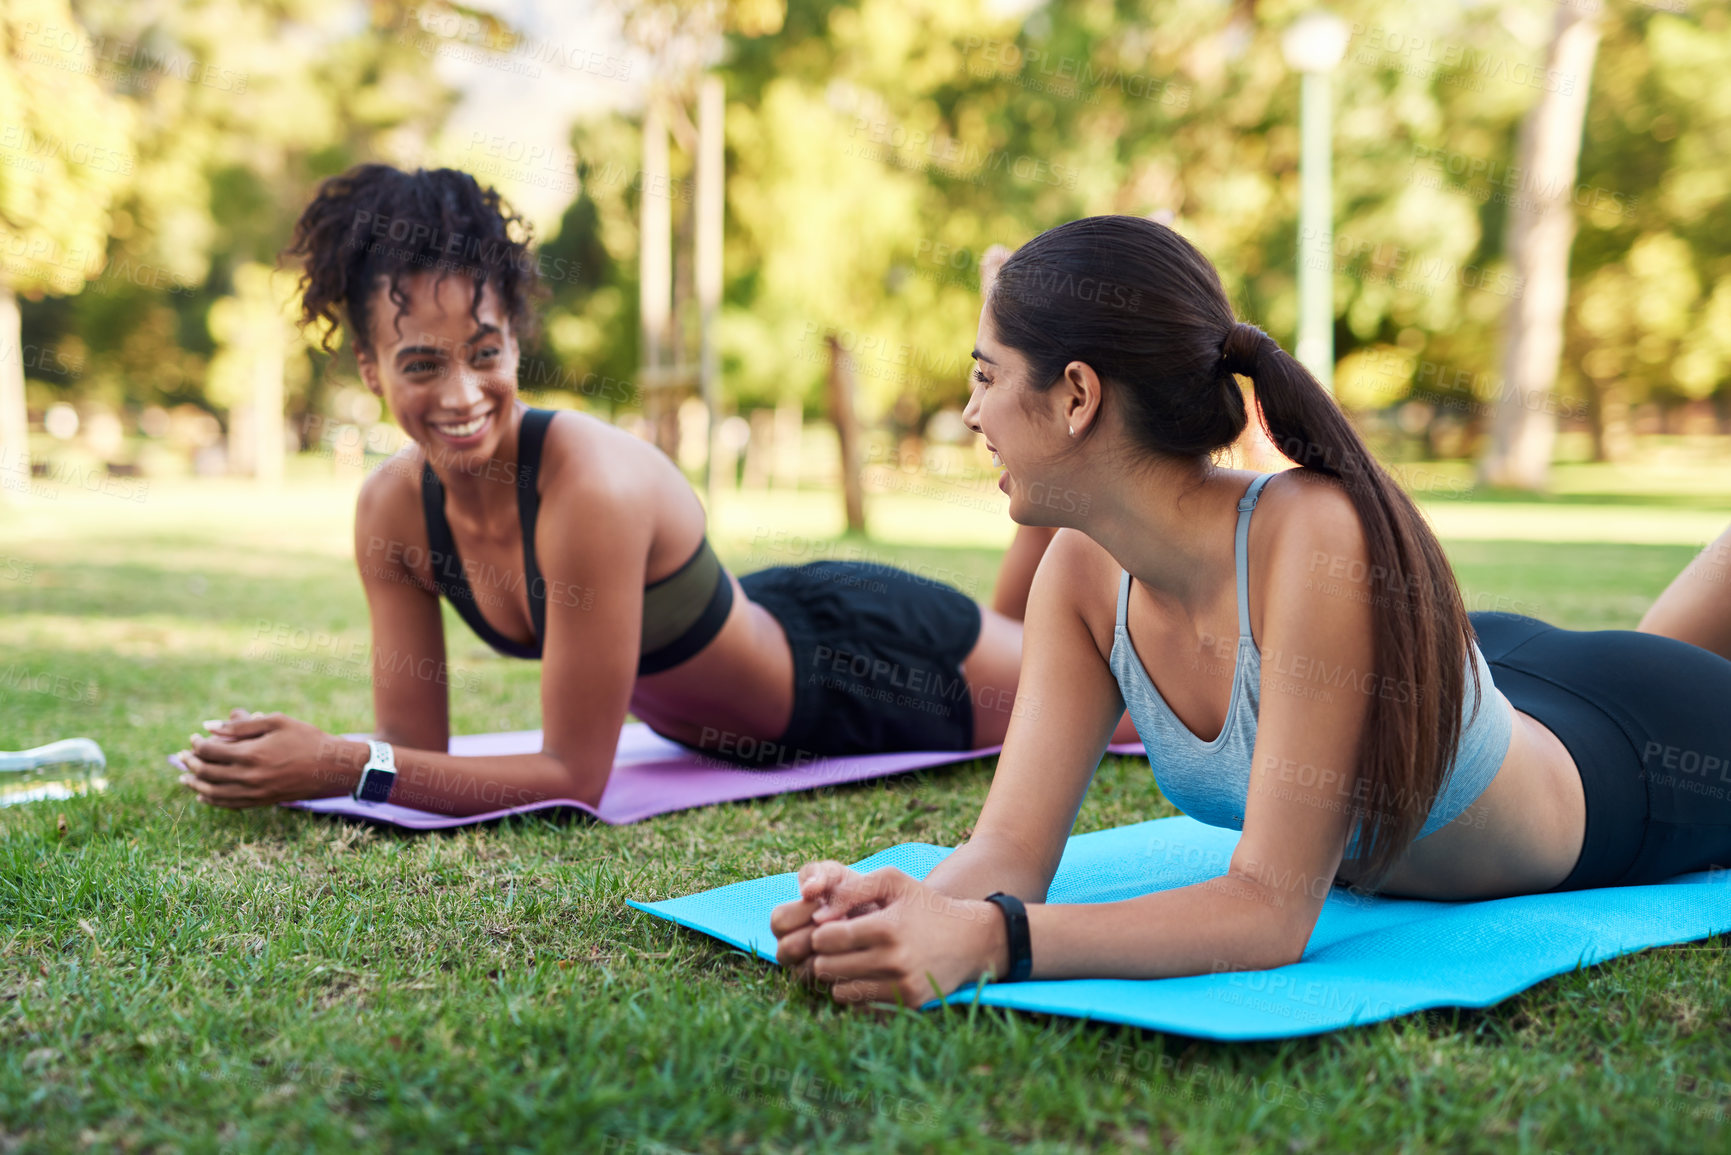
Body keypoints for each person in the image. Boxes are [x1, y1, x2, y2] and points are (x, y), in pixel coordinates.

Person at [770, 214, 1731, 1008]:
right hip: (1503, 679)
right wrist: (892, 912)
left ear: (1076, 397)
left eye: (984, 376)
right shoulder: (1078, 576)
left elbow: (1267, 912)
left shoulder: (1311, 535)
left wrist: (989, 941)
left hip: (1644, 754)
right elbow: (1009, 850)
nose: (970, 415)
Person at [173, 166, 1133, 816]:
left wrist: (342, 766)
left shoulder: (588, 485)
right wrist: (329, 759)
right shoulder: (391, 512)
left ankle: (1056, 405)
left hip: (861, 673)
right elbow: (415, 742)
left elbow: (571, 778)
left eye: (486, 354)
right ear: (368, 369)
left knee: (1138, 708)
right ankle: (1040, 415)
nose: (461, 395)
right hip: (774, 627)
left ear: (515, 341)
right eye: (421, 363)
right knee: (1030, 630)